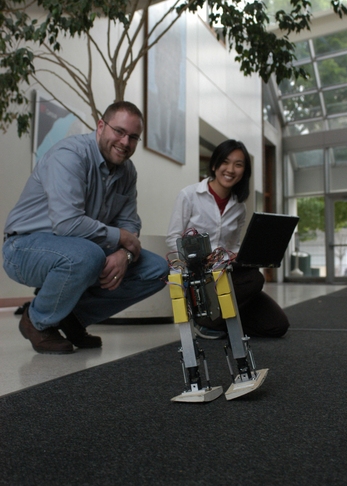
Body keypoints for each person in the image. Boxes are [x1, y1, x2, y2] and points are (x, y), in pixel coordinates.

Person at [3, 101, 168, 354]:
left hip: (80, 249)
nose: (125, 142)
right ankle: (36, 321)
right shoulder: (70, 155)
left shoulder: (127, 172)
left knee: (157, 269)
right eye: (119, 132)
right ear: (101, 126)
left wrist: (124, 254)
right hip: (23, 248)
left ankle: (72, 317)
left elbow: (129, 222)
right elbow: (67, 223)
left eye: (133, 137)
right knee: (87, 255)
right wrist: (121, 237)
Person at [166, 139, 289, 339]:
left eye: (238, 164)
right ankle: (205, 321)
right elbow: (173, 238)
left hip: (228, 275)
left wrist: (243, 256)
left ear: (244, 172)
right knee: (254, 278)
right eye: (226, 162)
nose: (231, 169)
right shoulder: (189, 195)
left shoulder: (238, 207)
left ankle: (222, 321)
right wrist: (196, 262)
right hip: (202, 278)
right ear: (214, 165)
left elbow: (234, 245)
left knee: (277, 325)